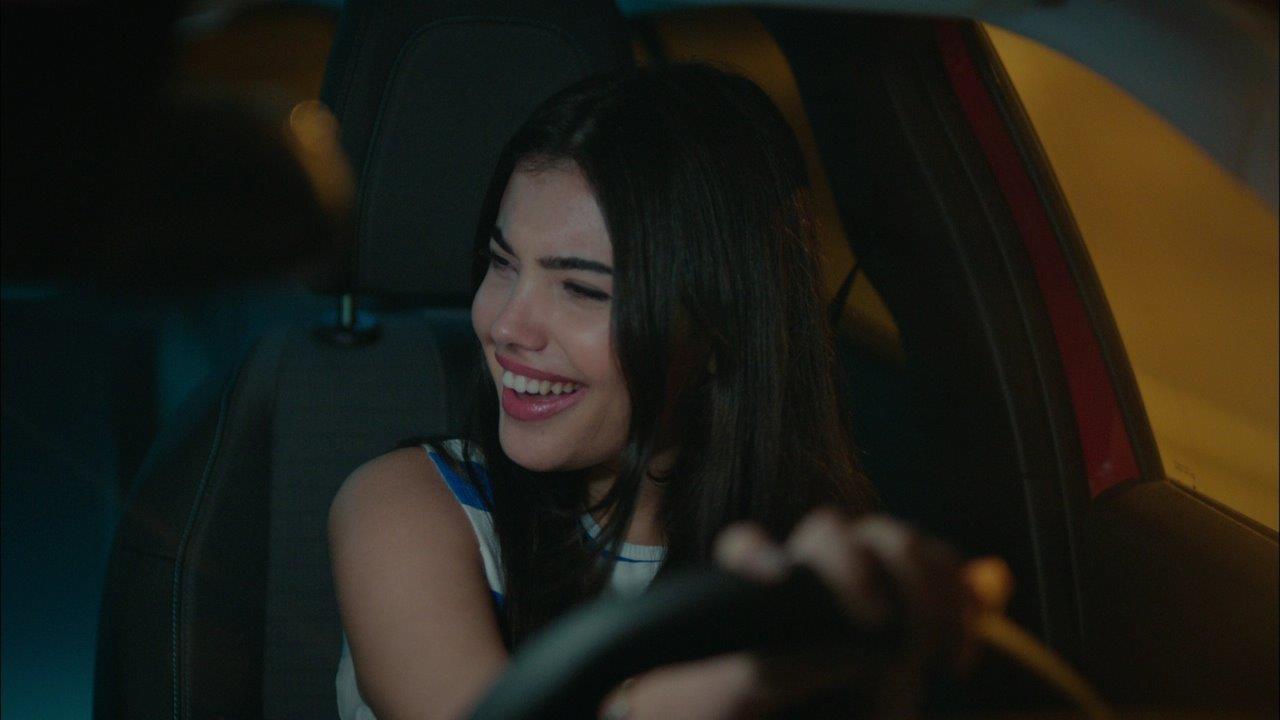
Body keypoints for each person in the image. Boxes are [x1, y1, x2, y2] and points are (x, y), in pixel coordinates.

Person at [329, 63, 1009, 720]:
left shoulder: (806, 553)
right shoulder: (408, 507)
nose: (505, 325)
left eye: (581, 289)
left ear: (717, 331)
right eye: (501, 263)